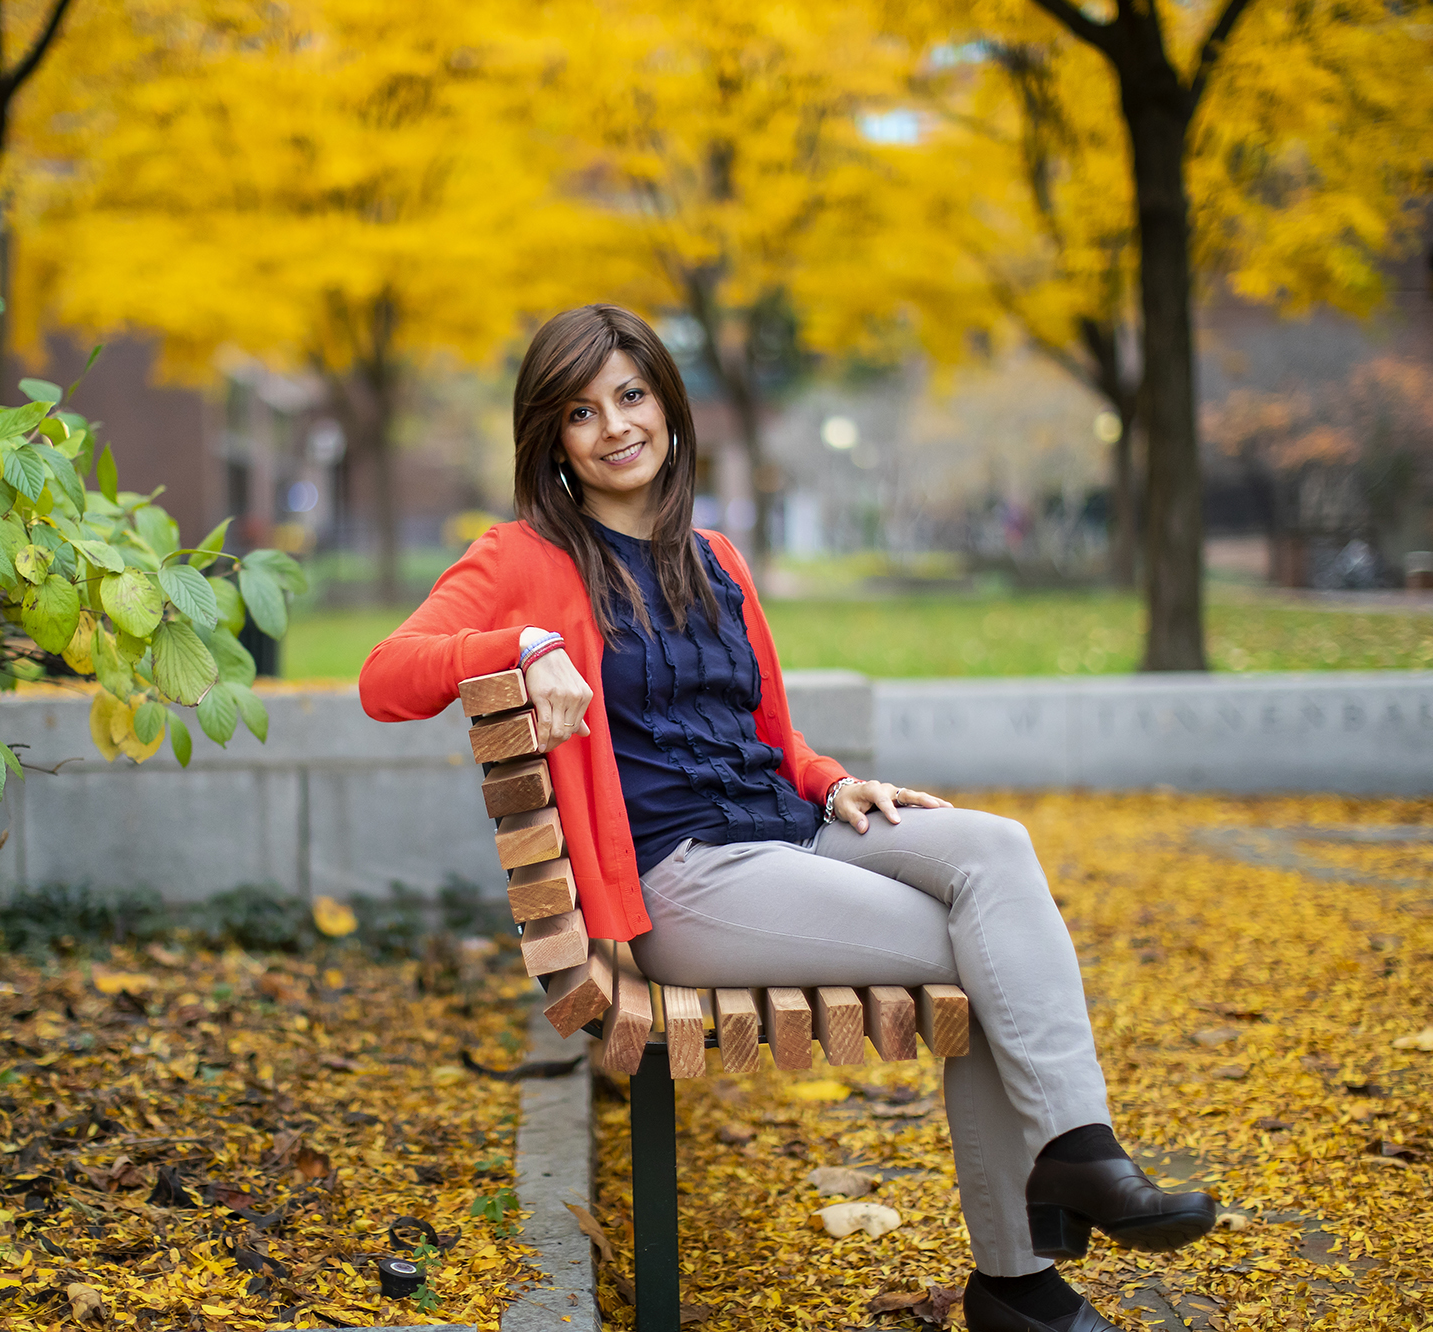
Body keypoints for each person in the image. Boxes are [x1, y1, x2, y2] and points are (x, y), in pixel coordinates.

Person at [359, 304, 1215, 1332]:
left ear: (669, 407)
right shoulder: (521, 558)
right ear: (551, 438)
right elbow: (384, 677)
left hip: (784, 828)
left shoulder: (714, 558)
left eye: (630, 395)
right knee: (985, 953)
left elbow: (766, 730)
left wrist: (831, 780)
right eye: (580, 411)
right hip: (683, 879)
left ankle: (1078, 1158)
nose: (614, 426)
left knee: (995, 847)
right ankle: (1020, 1280)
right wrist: (524, 645)